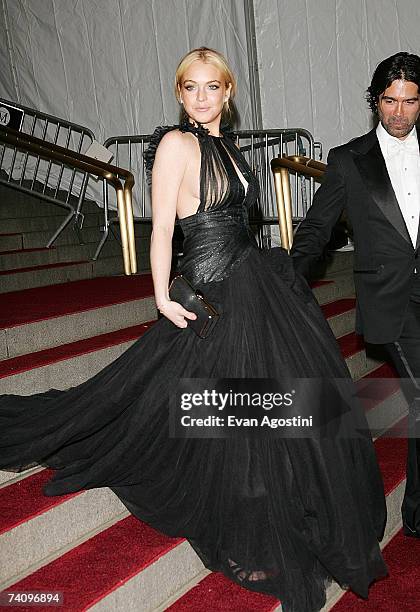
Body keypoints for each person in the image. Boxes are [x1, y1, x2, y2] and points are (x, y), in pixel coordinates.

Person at [0, 47, 387, 612]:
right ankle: (252, 514)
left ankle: (279, 502)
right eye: (191, 88)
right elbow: (162, 232)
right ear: (180, 94)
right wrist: (161, 295)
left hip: (253, 281)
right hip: (213, 286)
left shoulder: (229, 146)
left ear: (227, 94)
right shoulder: (177, 145)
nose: (201, 97)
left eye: (212, 87)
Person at [292, 51, 420, 540]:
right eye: (390, 100)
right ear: (375, 100)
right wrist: (290, 278)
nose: (399, 112)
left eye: (410, 101)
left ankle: (414, 512)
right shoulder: (349, 159)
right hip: (391, 300)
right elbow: (316, 230)